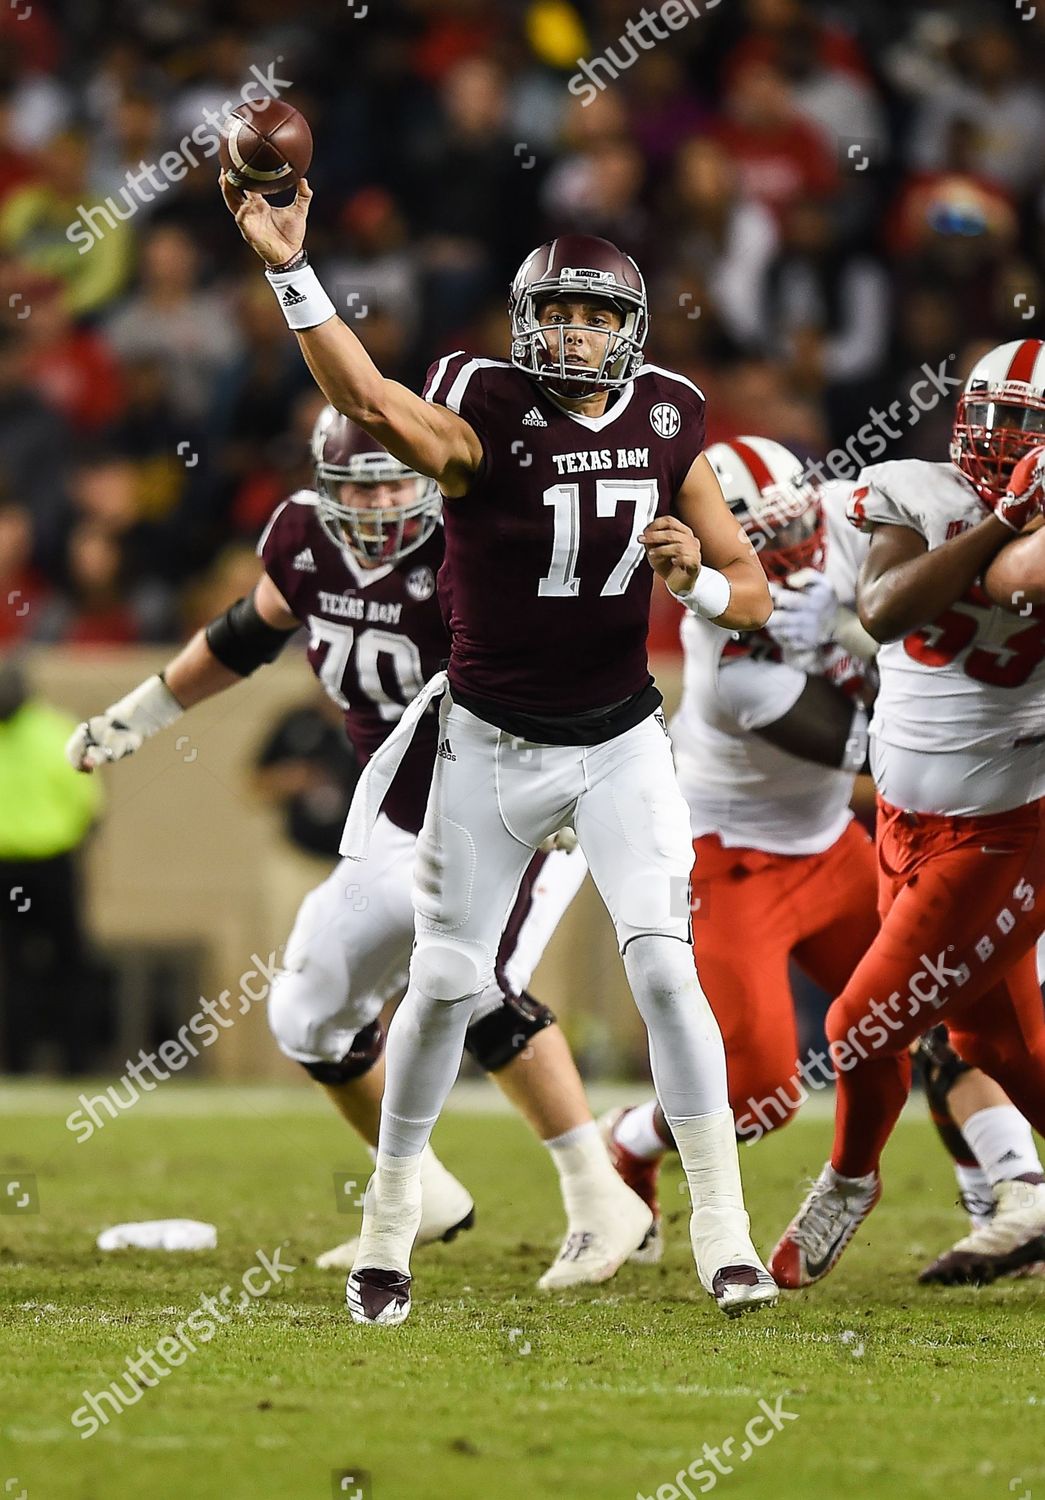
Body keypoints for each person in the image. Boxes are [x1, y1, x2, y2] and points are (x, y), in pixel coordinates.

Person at [221, 167, 780, 1326]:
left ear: (629, 329)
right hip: (486, 739)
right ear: (527, 323)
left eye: (596, 312)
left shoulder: (671, 413)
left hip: (621, 739)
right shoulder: (481, 403)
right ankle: (388, 1230)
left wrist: (700, 589)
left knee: (665, 968)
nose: (574, 331)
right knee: (436, 987)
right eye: (557, 311)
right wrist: (290, 271)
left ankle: (724, 1232)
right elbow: (370, 402)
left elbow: (753, 591)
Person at [66, 409, 651, 1289]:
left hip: (516, 802)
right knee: (305, 1013)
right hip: (398, 816)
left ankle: (600, 1196)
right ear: (324, 490)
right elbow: (247, 633)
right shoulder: (303, 538)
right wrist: (146, 710)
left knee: (474, 983)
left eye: (392, 481)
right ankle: (417, 1194)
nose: (378, 502)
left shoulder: (472, 546)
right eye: (359, 486)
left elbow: (562, 662)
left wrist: (563, 769)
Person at [601, 436, 1044, 1283]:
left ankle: (1001, 1194)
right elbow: (873, 749)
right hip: (737, 859)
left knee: (933, 1017)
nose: (800, 550)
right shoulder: (732, 660)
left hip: (831, 848)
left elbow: (910, 612)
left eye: (799, 524)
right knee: (761, 1094)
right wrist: (857, 642)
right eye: (767, 542)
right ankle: (628, 1140)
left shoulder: (861, 513)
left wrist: (853, 626)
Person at [770, 337, 1045, 1288]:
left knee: (856, 1023)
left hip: (1004, 829)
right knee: (996, 1045)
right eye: (991, 413)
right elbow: (883, 607)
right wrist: (1004, 515)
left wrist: (1014, 533)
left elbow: (1015, 583)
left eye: (1026, 423)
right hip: (899, 817)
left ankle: (849, 1179)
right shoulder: (921, 488)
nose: (1001, 433)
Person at [0, 656, 101, 1072]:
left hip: (30, 869)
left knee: (27, 964)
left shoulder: (58, 731)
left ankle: (34, 1062)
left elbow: (87, 802)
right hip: (41, 866)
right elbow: (90, 805)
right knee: (56, 963)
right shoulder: (60, 729)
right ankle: (65, 1061)